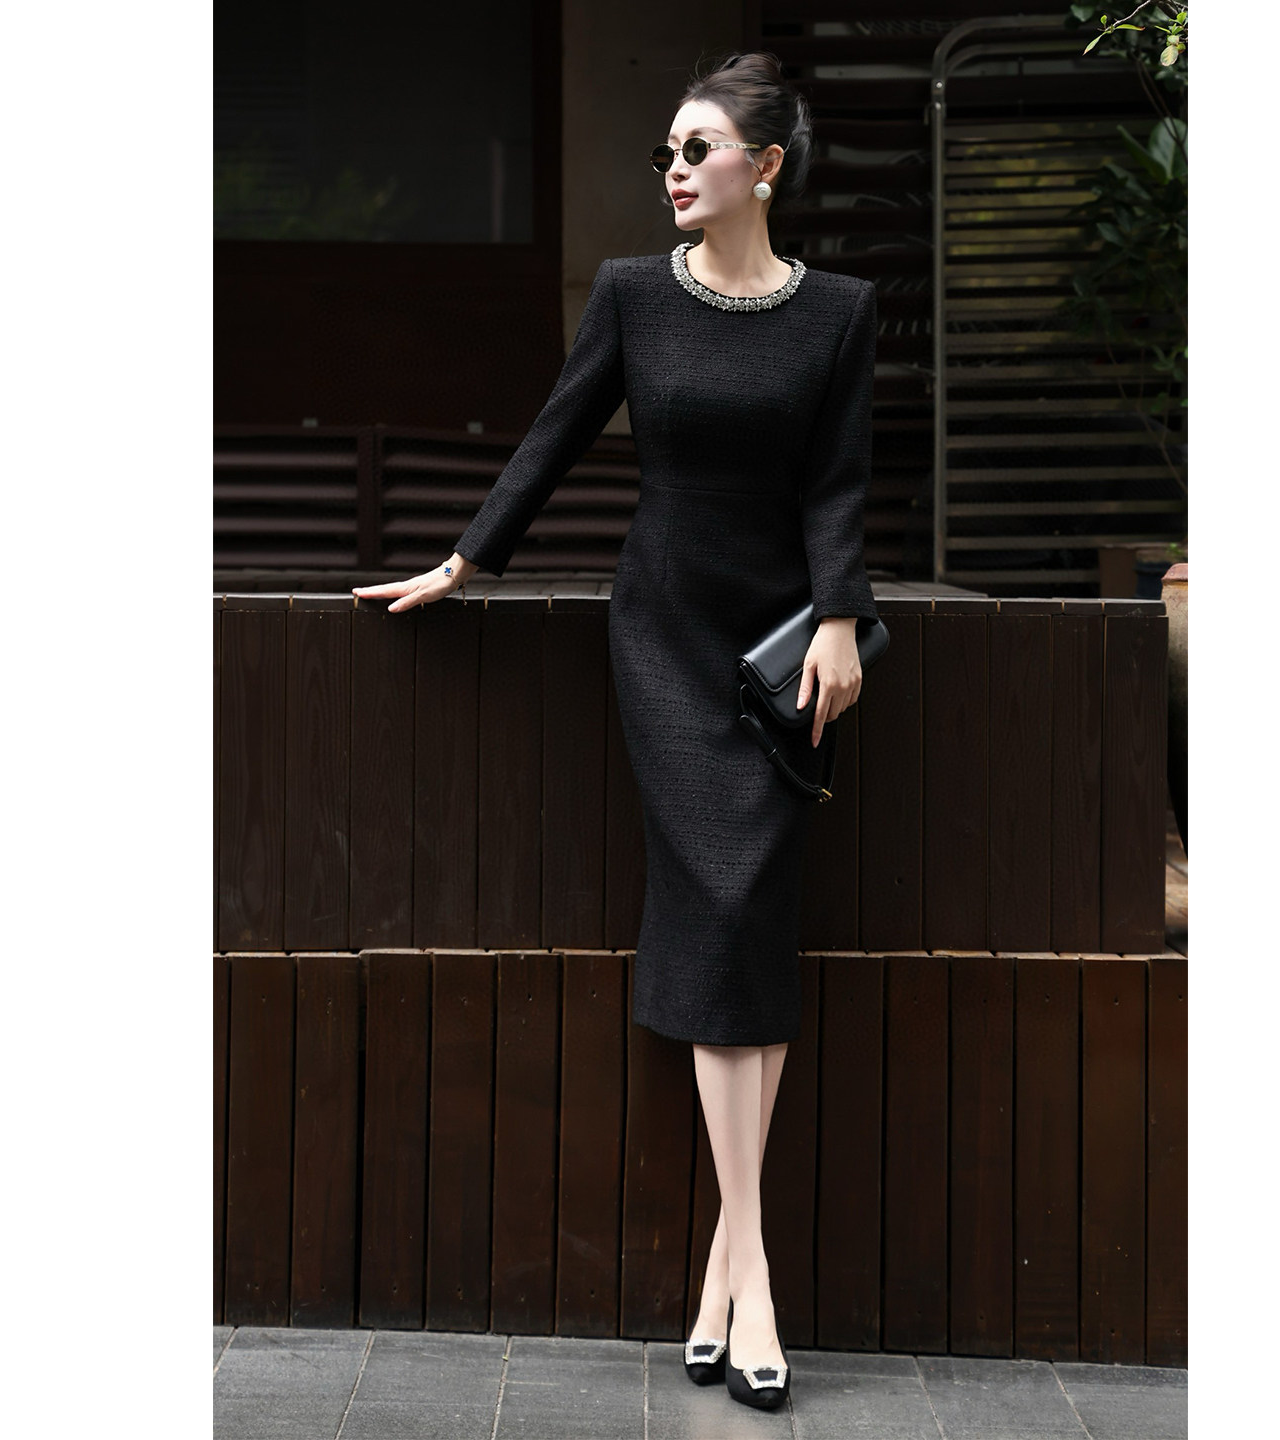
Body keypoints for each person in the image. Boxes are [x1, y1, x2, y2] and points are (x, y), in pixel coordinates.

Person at [353, 50, 878, 1412]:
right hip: (665, 641)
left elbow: (839, 480)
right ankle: (757, 1275)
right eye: (666, 151)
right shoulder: (635, 294)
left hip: (783, 654)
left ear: (766, 165)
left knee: (752, 914)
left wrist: (838, 617)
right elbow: (554, 433)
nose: (675, 170)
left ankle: (725, 1274)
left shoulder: (838, 311)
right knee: (720, 896)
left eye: (699, 148)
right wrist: (465, 561)